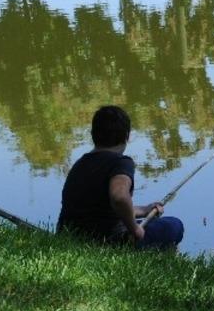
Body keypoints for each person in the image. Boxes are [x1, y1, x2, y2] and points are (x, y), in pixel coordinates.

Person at [57, 105, 184, 250]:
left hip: (71, 236)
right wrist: (135, 230)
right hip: (107, 241)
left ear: (93, 134)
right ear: (127, 135)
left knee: (149, 222)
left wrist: (144, 210)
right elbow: (119, 197)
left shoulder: (80, 163)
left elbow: (101, 209)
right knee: (175, 225)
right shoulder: (121, 163)